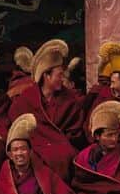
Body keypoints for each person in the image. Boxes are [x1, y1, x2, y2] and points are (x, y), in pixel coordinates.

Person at [8, 39, 84, 180]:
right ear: (46, 76)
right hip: (35, 148)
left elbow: (76, 132)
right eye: (59, 75)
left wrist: (59, 141)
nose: (62, 79)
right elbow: (16, 124)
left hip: (62, 148)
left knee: (64, 155)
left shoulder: (70, 98)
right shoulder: (27, 98)